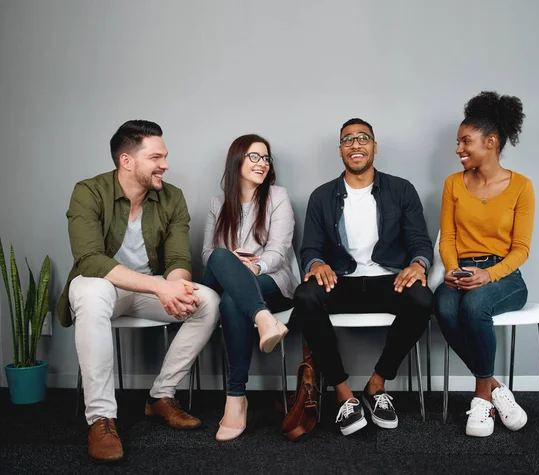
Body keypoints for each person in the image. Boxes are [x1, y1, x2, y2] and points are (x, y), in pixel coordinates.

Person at [56, 120, 220, 462]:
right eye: (156, 157)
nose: (165, 164)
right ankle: (101, 418)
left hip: (149, 291)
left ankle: (161, 396)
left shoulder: (171, 196)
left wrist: (174, 287)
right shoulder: (88, 191)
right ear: (127, 161)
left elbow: (177, 257)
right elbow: (89, 259)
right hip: (105, 289)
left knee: (206, 300)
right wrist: (160, 286)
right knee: (92, 291)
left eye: (165, 156)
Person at [292, 118, 434, 436]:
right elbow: (310, 247)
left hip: (388, 280)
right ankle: (344, 395)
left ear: (374, 146)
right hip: (341, 280)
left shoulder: (401, 190)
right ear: (341, 149)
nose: (356, 144)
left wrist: (418, 265)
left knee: (423, 298)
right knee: (304, 295)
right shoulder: (322, 196)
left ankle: (376, 384)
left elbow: (420, 243)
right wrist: (316, 264)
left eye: (363, 138)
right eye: (348, 139)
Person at [433, 91, 534, 437]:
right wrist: (450, 268)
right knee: (443, 306)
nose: (459, 148)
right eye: (458, 142)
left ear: (490, 142)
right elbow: (447, 237)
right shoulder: (452, 184)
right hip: (461, 269)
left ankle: (481, 398)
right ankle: (494, 385)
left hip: (504, 276)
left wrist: (488, 274)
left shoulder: (521, 187)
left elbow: (521, 249)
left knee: (476, 306)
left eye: (466, 141)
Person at [202, 134, 298, 441]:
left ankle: (235, 399)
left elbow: (279, 250)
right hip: (228, 278)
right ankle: (263, 319)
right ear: (237, 161)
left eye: (266, 158)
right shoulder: (218, 203)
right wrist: (232, 261)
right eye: (254, 157)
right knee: (219, 256)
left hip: (271, 280)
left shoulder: (278, 196)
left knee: (232, 300)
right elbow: (207, 254)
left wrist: (254, 267)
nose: (262, 163)